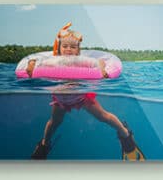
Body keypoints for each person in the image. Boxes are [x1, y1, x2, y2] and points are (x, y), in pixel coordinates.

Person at [29, 24, 140, 160]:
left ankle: (125, 133)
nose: (68, 49)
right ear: (59, 48)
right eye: (65, 46)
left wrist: (103, 70)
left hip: (81, 97)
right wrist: (31, 66)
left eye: (73, 47)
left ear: (78, 50)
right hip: (61, 99)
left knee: (103, 116)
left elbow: (98, 62)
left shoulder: (81, 61)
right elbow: (37, 62)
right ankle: (44, 144)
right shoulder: (53, 62)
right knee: (54, 122)